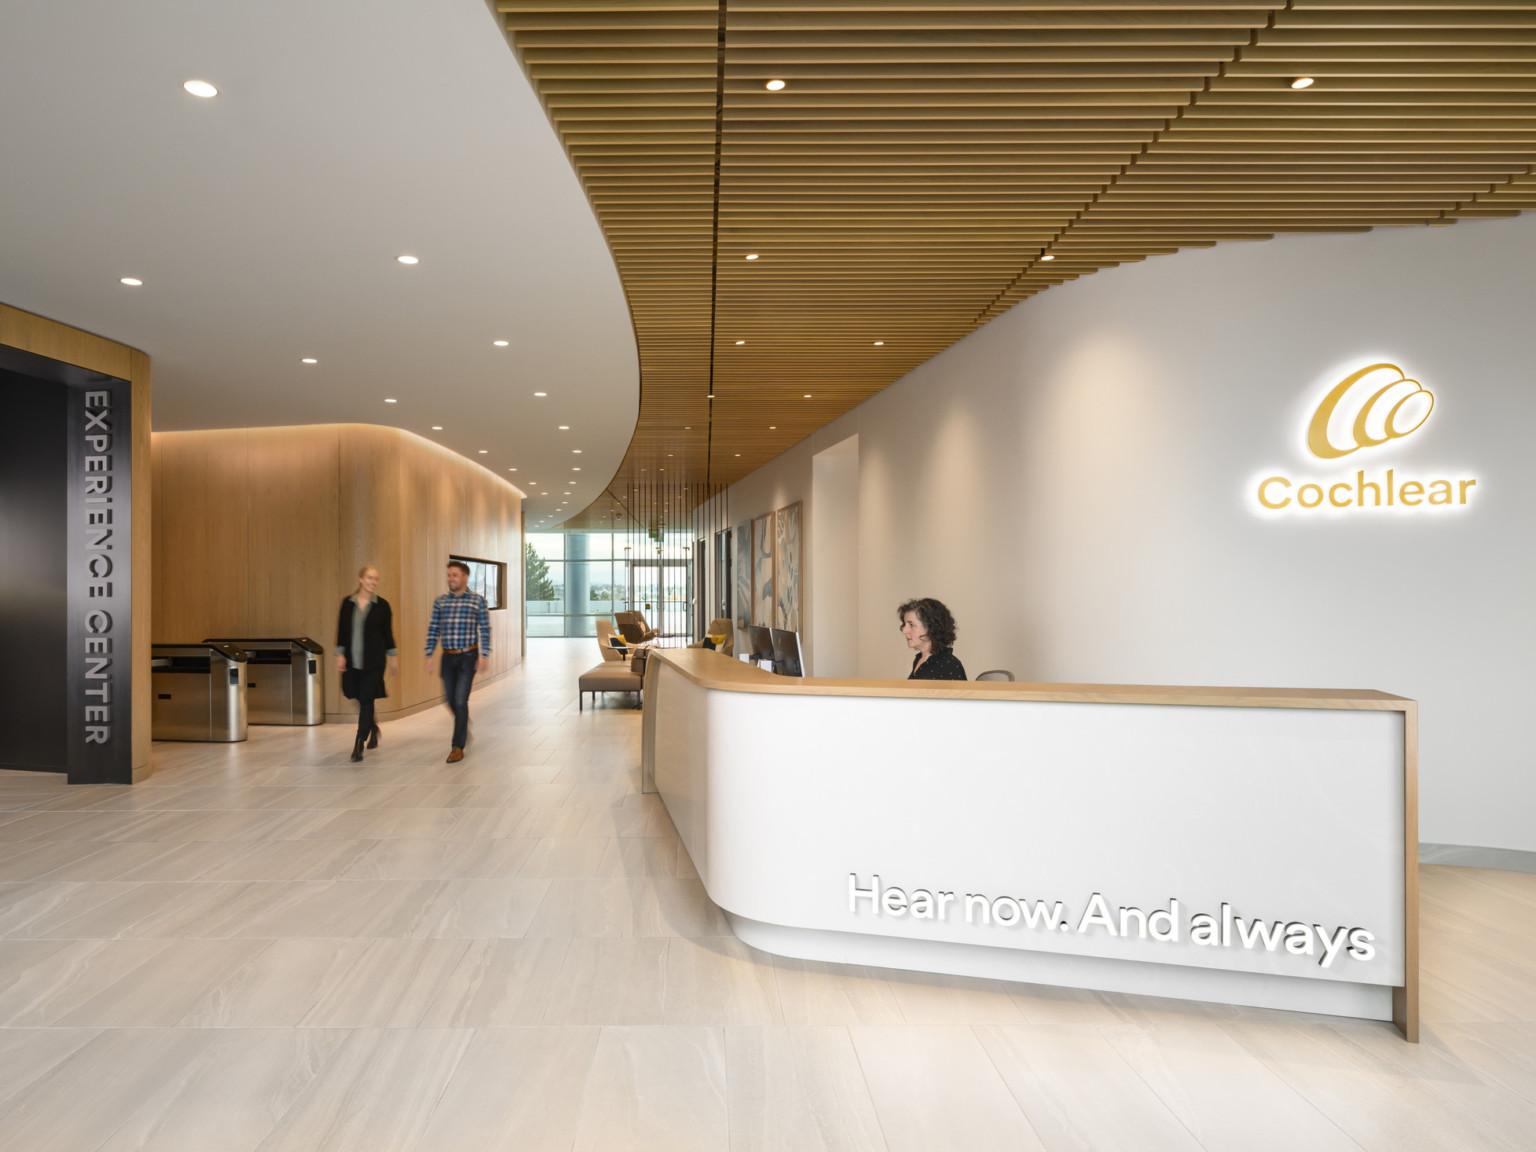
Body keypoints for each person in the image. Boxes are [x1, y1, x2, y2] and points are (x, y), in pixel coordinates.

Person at [424, 559, 492, 762]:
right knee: (450, 699)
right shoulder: (441, 602)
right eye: (448, 575)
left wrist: (484, 655)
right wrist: (429, 654)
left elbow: (485, 629)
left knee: (461, 700)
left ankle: (457, 746)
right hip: (447, 656)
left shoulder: (477, 601)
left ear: (465, 577)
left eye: (454, 575)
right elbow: (434, 629)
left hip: (468, 656)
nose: (450, 578)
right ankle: (463, 724)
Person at [335, 565, 398, 762]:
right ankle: (372, 727)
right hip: (353, 662)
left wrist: (393, 657)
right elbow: (342, 630)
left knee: (367, 699)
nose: (373, 582)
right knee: (357, 696)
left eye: (376, 579)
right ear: (361, 579)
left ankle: (358, 743)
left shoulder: (382, 606)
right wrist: (340, 653)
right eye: (369, 578)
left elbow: (388, 634)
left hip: (374, 662)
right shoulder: (348, 603)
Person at [899, 597, 967, 681]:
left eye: (911, 625)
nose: (904, 631)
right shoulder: (919, 660)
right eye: (905, 625)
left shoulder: (950, 665)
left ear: (931, 628)